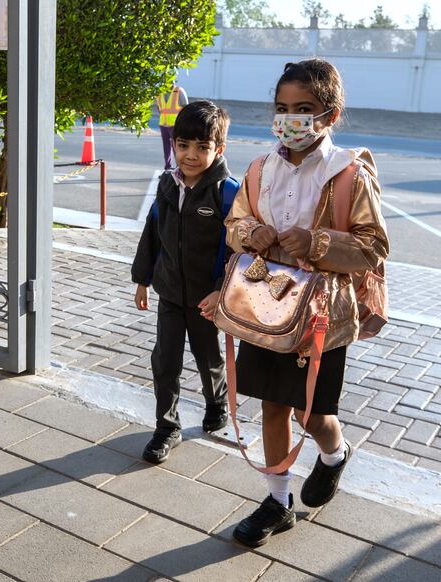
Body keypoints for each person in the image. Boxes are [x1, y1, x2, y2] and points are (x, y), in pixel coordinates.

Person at [224, 59, 389, 547]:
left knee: (310, 414)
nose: (290, 119)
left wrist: (315, 243)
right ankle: (277, 502)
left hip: (320, 315)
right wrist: (252, 232)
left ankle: (335, 453)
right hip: (266, 307)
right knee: (273, 407)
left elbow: (373, 245)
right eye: (282, 108)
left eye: (304, 109)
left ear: (330, 115)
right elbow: (234, 226)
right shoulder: (259, 169)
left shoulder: (349, 174)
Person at [131, 100, 232, 464]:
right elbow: (153, 232)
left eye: (202, 147)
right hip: (170, 293)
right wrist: (142, 278)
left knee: (209, 358)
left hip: (208, 300)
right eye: (183, 145)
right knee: (166, 360)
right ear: (173, 144)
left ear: (218, 149)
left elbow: (237, 249)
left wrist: (221, 290)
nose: (191, 155)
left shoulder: (226, 192)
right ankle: (166, 426)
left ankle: (216, 399)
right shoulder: (166, 184)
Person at [156, 82, 189, 170]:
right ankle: (167, 167)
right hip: (163, 124)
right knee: (166, 147)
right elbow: (159, 109)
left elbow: (186, 108)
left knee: (177, 147)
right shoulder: (160, 93)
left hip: (176, 125)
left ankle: (180, 168)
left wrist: (183, 123)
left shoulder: (179, 91)